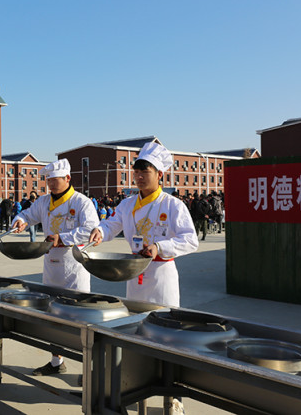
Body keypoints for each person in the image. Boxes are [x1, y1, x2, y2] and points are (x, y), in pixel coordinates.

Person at [12, 159, 99, 376]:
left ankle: (89, 369)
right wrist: (20, 220)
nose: (50, 184)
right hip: (51, 265)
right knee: (52, 314)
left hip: (74, 266)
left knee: (79, 318)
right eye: (48, 180)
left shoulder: (81, 202)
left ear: (68, 179)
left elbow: (91, 229)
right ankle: (56, 362)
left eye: (54, 180)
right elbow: (27, 215)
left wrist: (63, 238)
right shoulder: (43, 202)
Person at [89, 142, 198, 307]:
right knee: (135, 319)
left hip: (161, 275)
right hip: (134, 273)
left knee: (161, 322)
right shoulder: (127, 204)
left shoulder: (172, 205)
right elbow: (111, 224)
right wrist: (100, 231)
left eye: (145, 172)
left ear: (159, 174)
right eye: (136, 172)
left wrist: (159, 247)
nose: (139, 177)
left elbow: (190, 240)